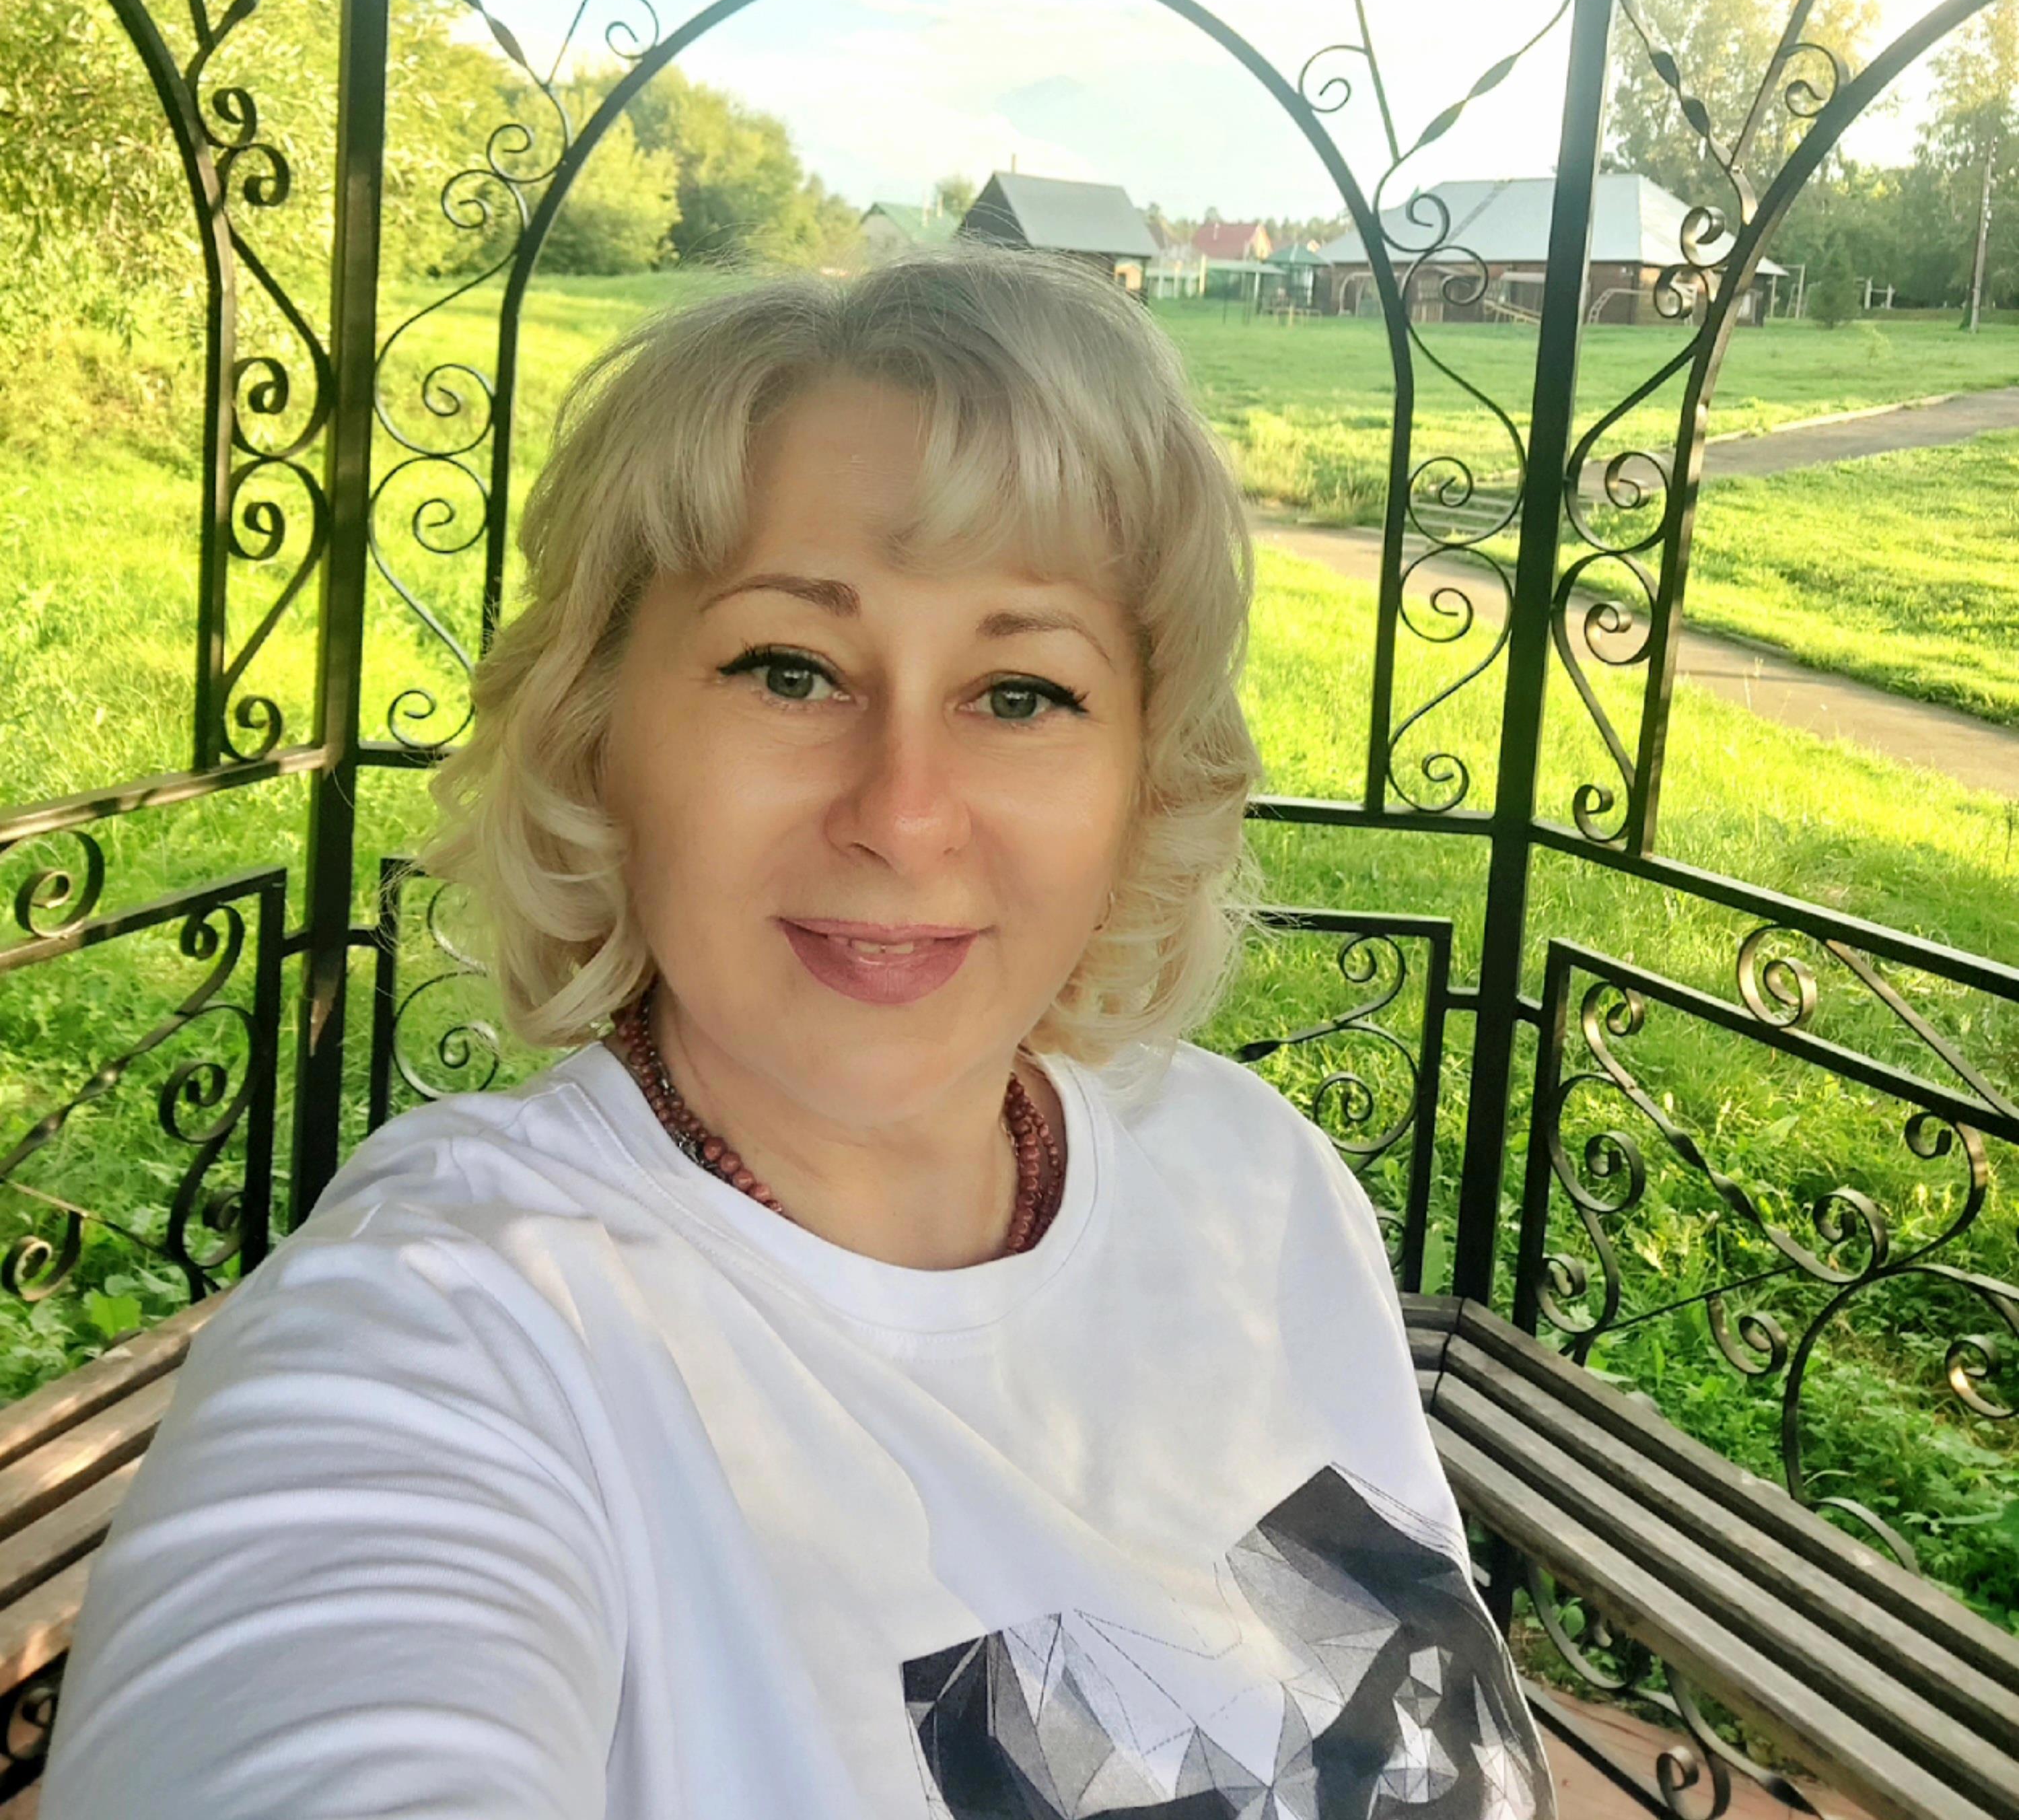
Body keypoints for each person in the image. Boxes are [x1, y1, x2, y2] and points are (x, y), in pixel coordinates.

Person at [42, 246, 1552, 1819]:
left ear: (1141, 775)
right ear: (596, 729)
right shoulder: (457, 1330)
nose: (903, 813)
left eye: (1021, 691)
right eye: (790, 668)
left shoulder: (1251, 1176)